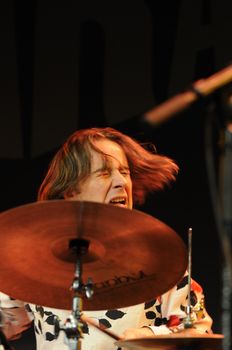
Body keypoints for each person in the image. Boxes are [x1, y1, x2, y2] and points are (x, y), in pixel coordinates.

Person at [0, 127, 213, 350]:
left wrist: (146, 337)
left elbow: (198, 332)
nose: (122, 182)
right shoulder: (33, 261)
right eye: (104, 173)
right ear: (71, 190)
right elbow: (6, 319)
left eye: (125, 172)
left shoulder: (161, 261)